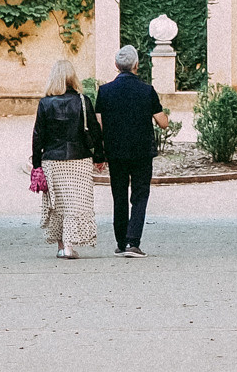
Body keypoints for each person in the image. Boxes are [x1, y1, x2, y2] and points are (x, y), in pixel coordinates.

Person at [94, 43, 169, 257]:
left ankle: (120, 242)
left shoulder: (105, 91)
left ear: (116, 65)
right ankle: (133, 242)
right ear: (136, 65)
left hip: (115, 151)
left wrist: (100, 152)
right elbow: (162, 122)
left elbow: (99, 123)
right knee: (139, 195)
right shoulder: (147, 90)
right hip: (141, 152)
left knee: (118, 195)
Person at [31, 58, 103, 259]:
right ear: (73, 77)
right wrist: (99, 155)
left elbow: (38, 135)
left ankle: (62, 247)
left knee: (58, 205)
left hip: (52, 160)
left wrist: (37, 165)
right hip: (79, 159)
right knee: (76, 204)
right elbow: (95, 132)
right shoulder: (83, 101)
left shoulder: (45, 103)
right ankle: (70, 246)